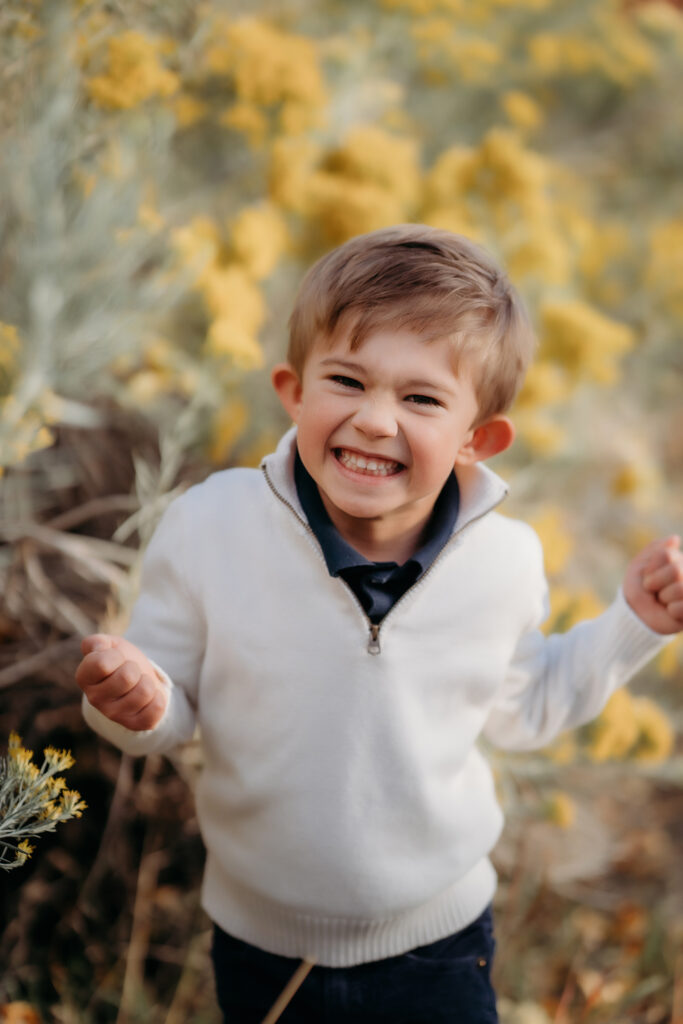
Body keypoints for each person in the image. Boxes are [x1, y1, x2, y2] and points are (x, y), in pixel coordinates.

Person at [76, 224, 683, 1023]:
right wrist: (135, 702)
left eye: (420, 398)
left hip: (437, 944)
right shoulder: (209, 527)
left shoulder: (502, 561)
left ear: (478, 440)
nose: (372, 420)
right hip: (261, 944)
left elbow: (526, 707)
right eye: (348, 381)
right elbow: (171, 701)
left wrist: (633, 623)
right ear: (293, 390)